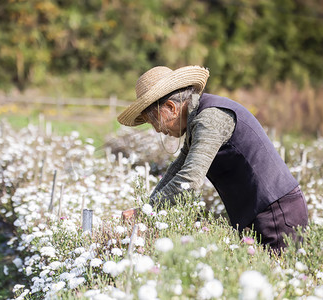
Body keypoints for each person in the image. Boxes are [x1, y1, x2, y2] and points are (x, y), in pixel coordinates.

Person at [117, 65, 308, 252]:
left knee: (278, 278)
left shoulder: (210, 119)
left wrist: (146, 212)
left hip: (277, 214)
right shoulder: (199, 118)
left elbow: (190, 179)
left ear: (171, 107)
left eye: (155, 121)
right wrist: (147, 210)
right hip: (267, 212)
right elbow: (178, 167)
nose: (158, 130)